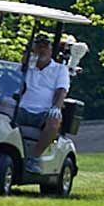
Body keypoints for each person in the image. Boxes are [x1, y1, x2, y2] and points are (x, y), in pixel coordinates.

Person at [19, 35, 69, 167]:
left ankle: (34, 158)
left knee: (54, 122)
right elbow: (13, 84)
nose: (41, 50)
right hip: (22, 109)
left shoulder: (59, 69)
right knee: (1, 110)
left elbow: (61, 90)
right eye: (38, 47)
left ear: (51, 51)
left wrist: (56, 107)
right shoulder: (26, 68)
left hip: (44, 112)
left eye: (45, 47)